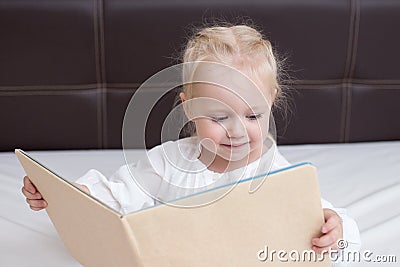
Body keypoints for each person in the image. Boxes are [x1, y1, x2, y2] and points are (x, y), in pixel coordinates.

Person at [22, 24, 360, 265]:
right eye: (219, 118)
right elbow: (115, 198)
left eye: (253, 116)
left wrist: (336, 229)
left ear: (270, 104)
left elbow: (326, 220)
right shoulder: (169, 162)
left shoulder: (276, 175)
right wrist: (67, 197)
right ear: (190, 110)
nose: (237, 131)